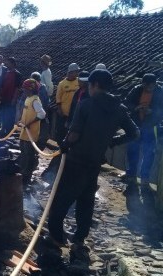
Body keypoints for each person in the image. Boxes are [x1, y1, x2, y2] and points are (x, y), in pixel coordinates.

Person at [47, 69, 139, 265]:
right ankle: (79, 239)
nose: (88, 87)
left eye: (89, 84)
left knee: (61, 199)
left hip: (76, 161)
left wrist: (64, 144)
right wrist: (112, 142)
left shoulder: (86, 104)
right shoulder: (119, 108)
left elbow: (74, 135)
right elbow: (134, 132)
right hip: (94, 164)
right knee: (85, 202)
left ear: (96, 85)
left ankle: (55, 238)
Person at [123, 73, 163, 195]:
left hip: (151, 128)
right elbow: (126, 103)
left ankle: (144, 179)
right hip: (136, 126)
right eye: (146, 85)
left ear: (154, 84)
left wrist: (152, 111)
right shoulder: (136, 90)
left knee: (149, 153)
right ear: (143, 83)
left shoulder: (160, 93)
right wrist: (136, 107)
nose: (149, 88)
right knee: (133, 152)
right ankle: (131, 176)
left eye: (151, 85)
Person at [18, 79, 46, 186]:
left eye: (25, 89)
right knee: (23, 154)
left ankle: (26, 178)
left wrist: (30, 123)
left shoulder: (35, 100)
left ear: (30, 89)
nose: (24, 91)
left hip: (31, 134)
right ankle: (22, 174)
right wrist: (21, 121)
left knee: (29, 156)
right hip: (24, 132)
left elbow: (42, 114)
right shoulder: (28, 98)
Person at [55, 63, 80, 141]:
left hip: (74, 113)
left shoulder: (79, 82)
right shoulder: (62, 84)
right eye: (76, 71)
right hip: (64, 113)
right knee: (61, 131)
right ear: (71, 72)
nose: (77, 73)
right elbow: (58, 98)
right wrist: (60, 110)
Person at [0, 57, 23, 134]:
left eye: (8, 63)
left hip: (11, 98)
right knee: (3, 113)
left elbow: (18, 88)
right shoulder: (5, 72)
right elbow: (2, 85)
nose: (6, 64)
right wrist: (0, 95)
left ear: (13, 64)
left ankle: (9, 131)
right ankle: (3, 128)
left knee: (10, 115)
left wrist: (14, 99)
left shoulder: (17, 74)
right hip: (4, 97)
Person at [31, 71, 50, 150]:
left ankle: (37, 150)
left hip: (39, 115)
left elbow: (45, 102)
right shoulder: (39, 87)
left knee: (40, 134)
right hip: (36, 114)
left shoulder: (42, 88)